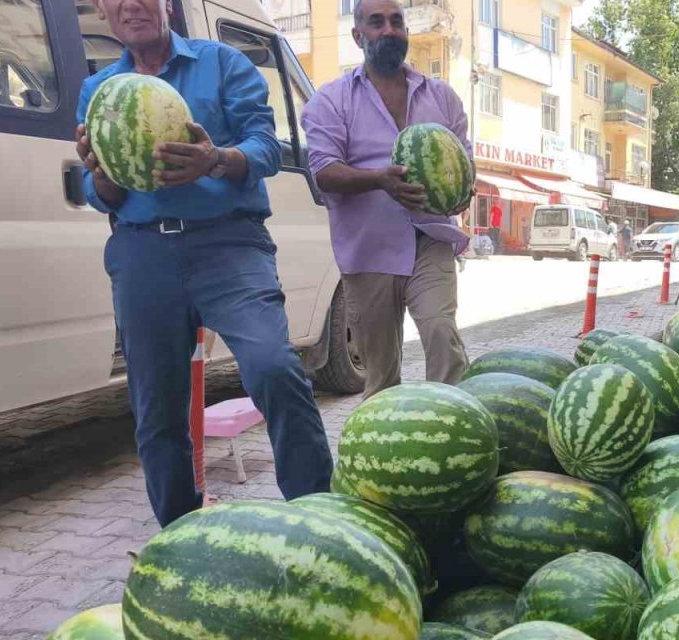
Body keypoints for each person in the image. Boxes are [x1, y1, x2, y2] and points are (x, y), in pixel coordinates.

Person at [74, 0, 331, 527]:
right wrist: (100, 172)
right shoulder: (98, 90)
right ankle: (179, 532)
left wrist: (215, 159)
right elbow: (100, 193)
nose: (130, 5)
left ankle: (318, 518)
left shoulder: (223, 63)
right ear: (102, 9)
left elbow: (265, 145)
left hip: (228, 243)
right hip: (143, 251)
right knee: (156, 405)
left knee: (273, 368)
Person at [302, 0, 472, 399]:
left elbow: (463, 159)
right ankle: (381, 451)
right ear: (358, 36)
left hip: (429, 236)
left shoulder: (442, 96)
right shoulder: (331, 100)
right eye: (376, 22)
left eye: (397, 21)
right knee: (379, 373)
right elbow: (324, 171)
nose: (389, 30)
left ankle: (455, 436)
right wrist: (381, 180)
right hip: (369, 248)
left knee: (441, 334)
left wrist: (464, 192)